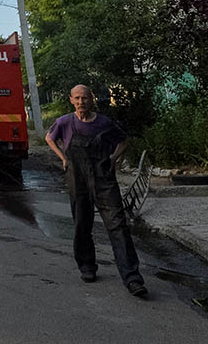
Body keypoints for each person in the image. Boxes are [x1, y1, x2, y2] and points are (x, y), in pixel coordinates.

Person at [45, 85, 147, 298]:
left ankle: (132, 278)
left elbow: (123, 140)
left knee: (118, 225)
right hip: (78, 179)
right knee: (82, 224)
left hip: (103, 180)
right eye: (77, 98)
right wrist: (63, 159)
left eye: (85, 98)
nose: (81, 101)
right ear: (71, 100)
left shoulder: (104, 123)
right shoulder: (65, 122)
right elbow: (49, 138)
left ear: (92, 99)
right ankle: (87, 267)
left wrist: (113, 158)